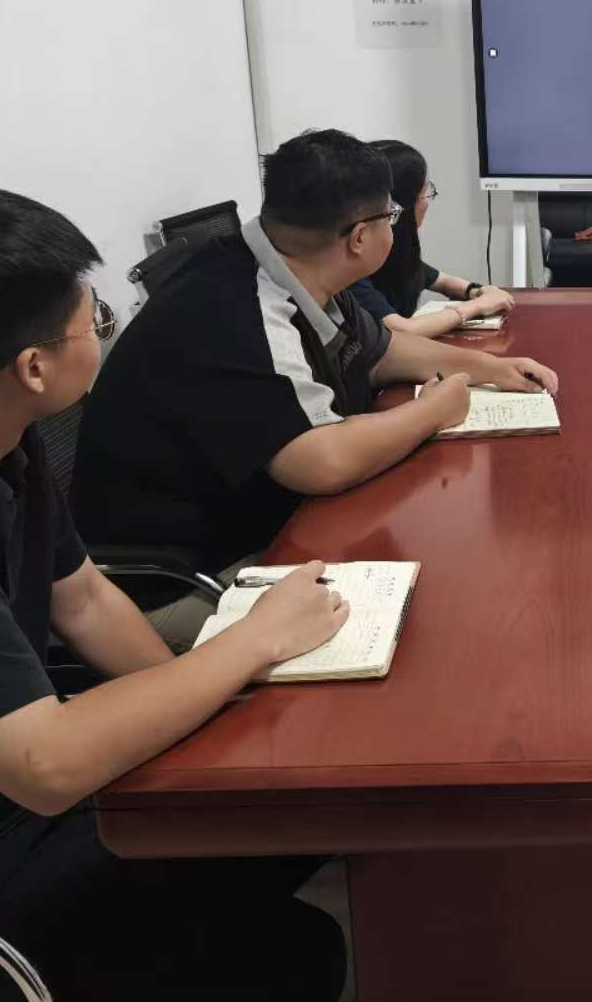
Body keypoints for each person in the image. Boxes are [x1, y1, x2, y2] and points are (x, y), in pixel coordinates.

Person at [0, 182, 348, 1002]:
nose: (104, 328)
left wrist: (203, 728)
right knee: (293, 960)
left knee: (284, 825)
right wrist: (253, 643)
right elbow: (46, 766)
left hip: (12, 792)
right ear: (33, 367)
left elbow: (81, 598)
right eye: (94, 318)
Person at [74, 129, 559, 650]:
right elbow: (320, 463)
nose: (395, 226)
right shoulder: (234, 309)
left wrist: (488, 368)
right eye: (391, 216)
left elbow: (381, 352)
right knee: (436, 618)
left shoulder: (293, 266)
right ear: (360, 238)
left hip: (258, 527)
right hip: (176, 585)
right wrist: (434, 412)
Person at [348, 138, 515, 337]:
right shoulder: (352, 273)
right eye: (425, 193)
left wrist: (477, 291)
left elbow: (441, 280)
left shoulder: (395, 255)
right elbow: (401, 331)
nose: (427, 203)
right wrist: (476, 306)